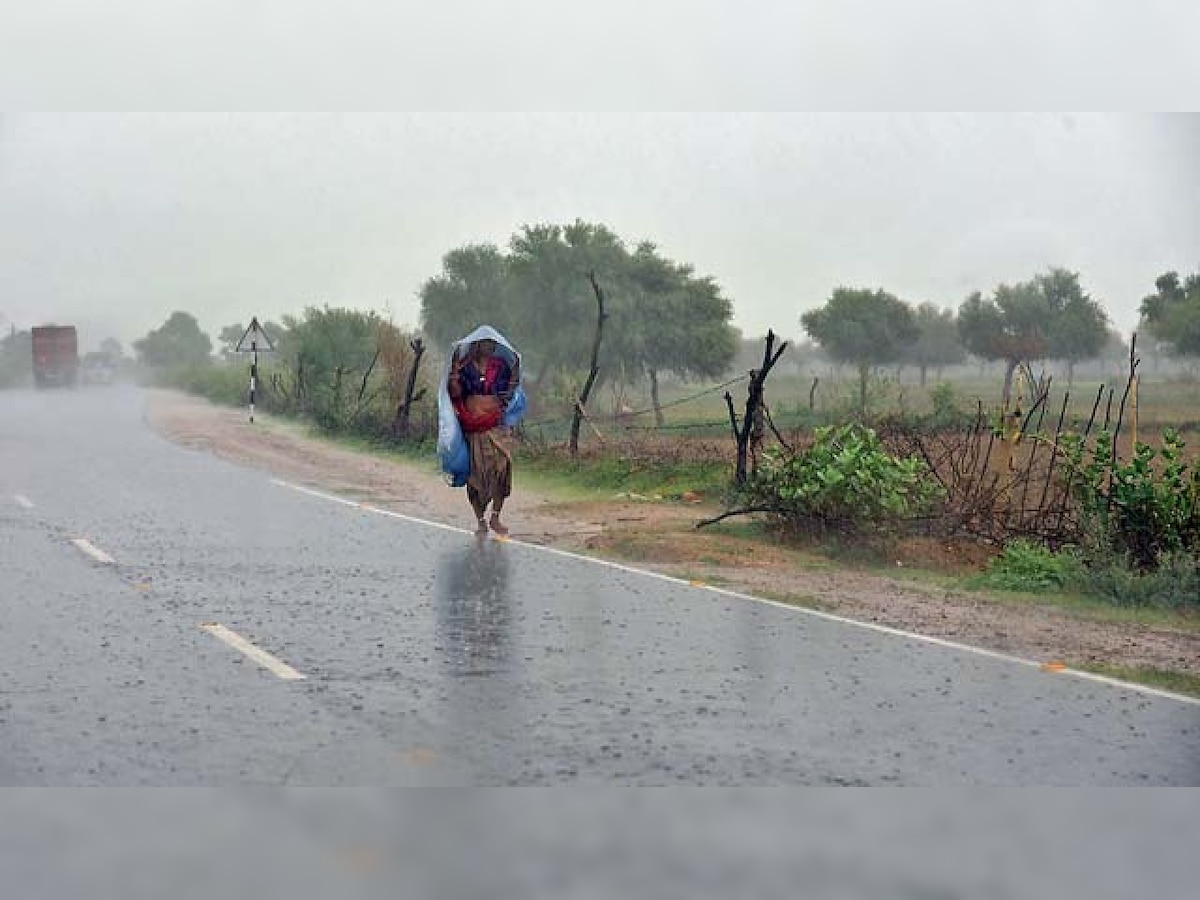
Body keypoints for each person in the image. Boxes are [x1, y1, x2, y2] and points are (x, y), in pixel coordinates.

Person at [447, 338, 516, 535]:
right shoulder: (465, 367)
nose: (490, 346)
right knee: (476, 475)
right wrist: (454, 375)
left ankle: (495, 516)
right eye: (486, 342)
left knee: (503, 466)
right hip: (472, 428)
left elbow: (508, 391)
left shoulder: (500, 366)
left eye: (492, 343)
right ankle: (480, 520)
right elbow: (456, 393)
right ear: (477, 345)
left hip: (495, 426)